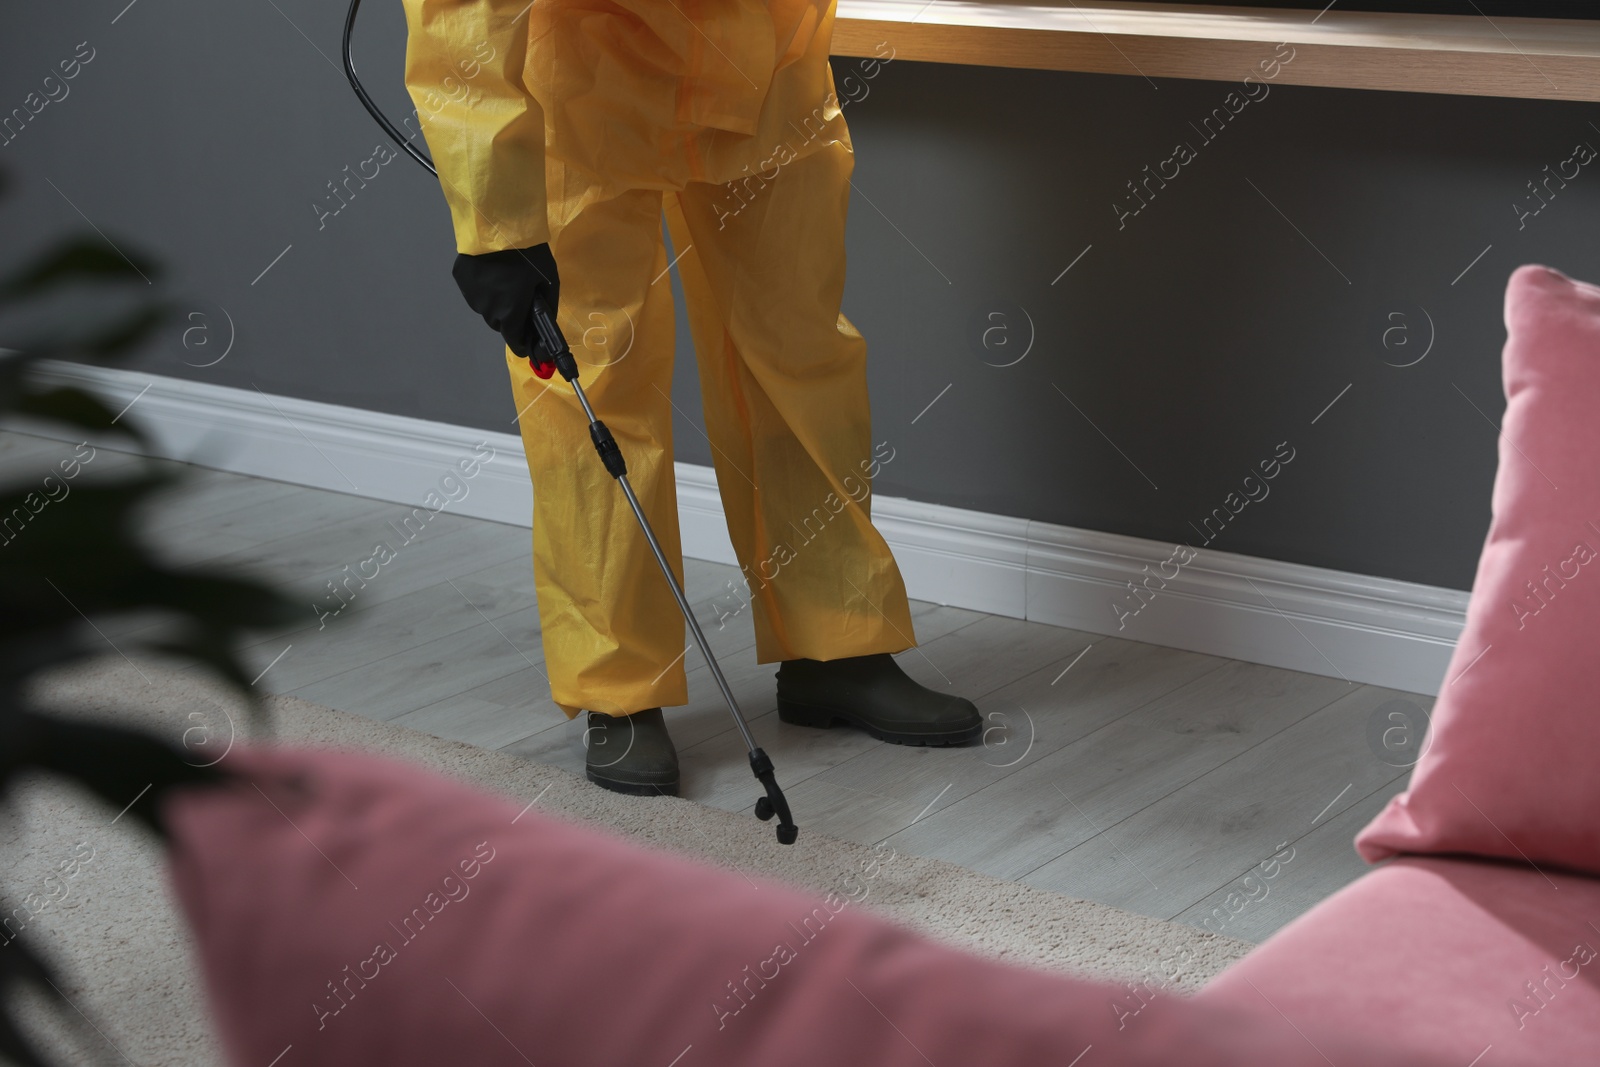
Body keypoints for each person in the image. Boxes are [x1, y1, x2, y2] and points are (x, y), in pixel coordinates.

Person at [400, 0, 980, 796]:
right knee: (597, 387)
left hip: (768, 74)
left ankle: (834, 644)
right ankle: (621, 687)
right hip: (587, 92)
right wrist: (495, 218)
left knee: (803, 359)